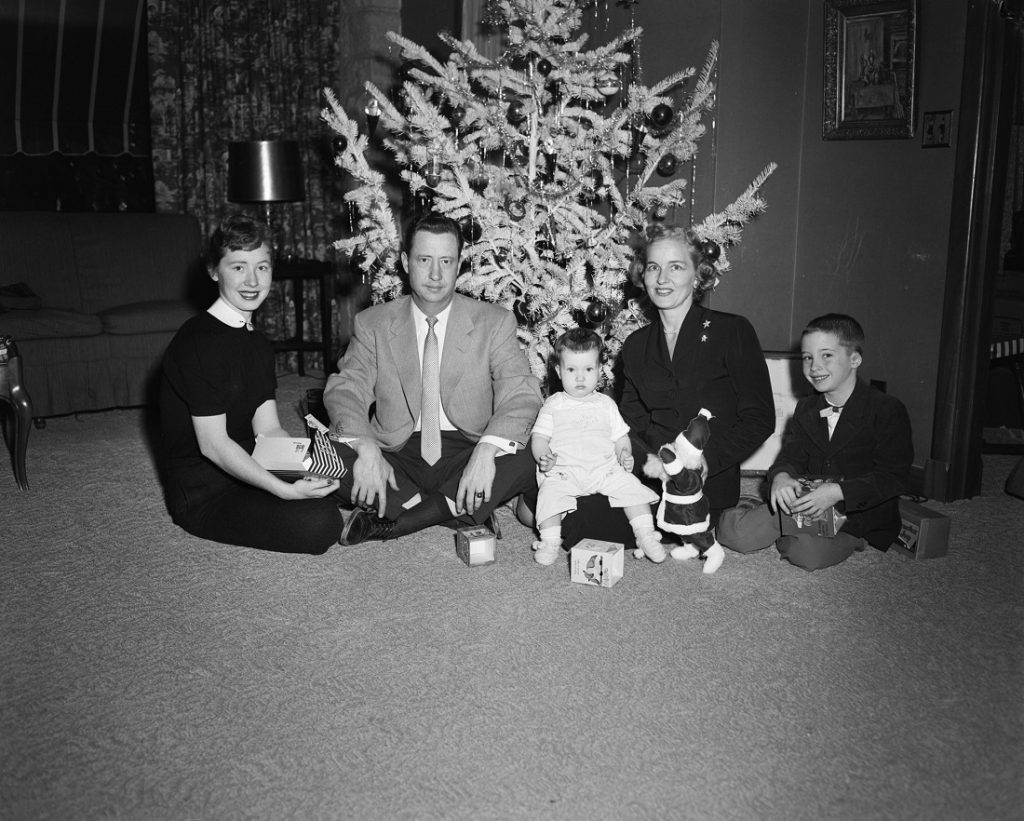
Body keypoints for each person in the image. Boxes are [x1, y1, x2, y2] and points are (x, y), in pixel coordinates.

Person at [521, 224, 775, 557]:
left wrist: (707, 460)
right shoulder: (636, 345)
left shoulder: (732, 331)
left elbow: (760, 419)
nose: (662, 278)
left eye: (676, 267)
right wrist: (635, 459)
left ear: (698, 275)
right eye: (654, 267)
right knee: (540, 502)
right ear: (643, 275)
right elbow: (630, 423)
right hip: (650, 470)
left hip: (701, 481)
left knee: (571, 523)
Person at [324, 212, 542, 544]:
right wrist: (366, 448)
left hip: (466, 448)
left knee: (530, 450)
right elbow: (346, 389)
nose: (436, 274)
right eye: (425, 259)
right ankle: (456, 511)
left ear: (459, 265)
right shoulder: (373, 323)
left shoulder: (494, 322)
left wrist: (485, 454)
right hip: (395, 451)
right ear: (405, 262)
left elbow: (521, 394)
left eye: (446, 261)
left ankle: (398, 521)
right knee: (325, 452)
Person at [159, 215, 343, 553]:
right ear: (214, 271)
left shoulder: (256, 343)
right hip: (205, 493)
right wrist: (284, 489)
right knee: (322, 522)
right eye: (238, 267)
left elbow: (269, 430)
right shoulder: (198, 342)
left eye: (262, 267)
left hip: (250, 464)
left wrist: (305, 470)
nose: (253, 280)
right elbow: (213, 446)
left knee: (343, 476)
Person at [716, 313, 913, 571]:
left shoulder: (887, 409)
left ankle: (799, 534)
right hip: (804, 503)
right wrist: (782, 476)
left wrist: (837, 493)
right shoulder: (807, 408)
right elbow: (791, 456)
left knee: (806, 555)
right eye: (808, 358)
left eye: (826, 355)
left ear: (855, 359)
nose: (814, 366)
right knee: (732, 534)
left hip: (854, 515)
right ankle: (766, 515)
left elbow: (894, 477)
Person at [530, 328, 662, 566]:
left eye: (588, 369)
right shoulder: (554, 404)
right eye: (571, 370)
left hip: (604, 469)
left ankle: (645, 534)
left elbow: (621, 437)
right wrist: (543, 457)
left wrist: (625, 453)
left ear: (600, 371)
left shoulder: (606, 404)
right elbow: (539, 437)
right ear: (559, 371)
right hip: (565, 471)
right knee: (549, 495)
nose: (580, 378)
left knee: (631, 487)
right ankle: (550, 540)